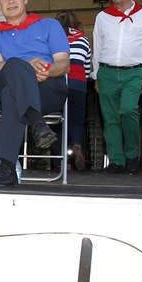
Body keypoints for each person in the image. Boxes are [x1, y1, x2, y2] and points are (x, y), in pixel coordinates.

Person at [0, 0, 69, 186]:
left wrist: (47, 71)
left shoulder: (49, 25)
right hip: (7, 81)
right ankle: (37, 124)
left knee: (13, 96)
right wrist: (27, 67)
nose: (10, 1)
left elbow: (63, 64)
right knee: (13, 66)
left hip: (47, 87)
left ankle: (5, 168)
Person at [92, 0, 142, 174]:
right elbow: (97, 46)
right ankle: (117, 161)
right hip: (107, 73)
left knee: (128, 111)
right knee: (110, 118)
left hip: (134, 73)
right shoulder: (103, 17)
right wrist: (96, 75)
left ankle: (132, 156)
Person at [55, 10, 91, 171]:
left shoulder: (54, 38)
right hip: (79, 84)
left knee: (57, 122)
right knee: (77, 121)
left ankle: (59, 161)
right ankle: (76, 144)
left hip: (59, 83)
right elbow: (88, 68)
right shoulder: (83, 39)